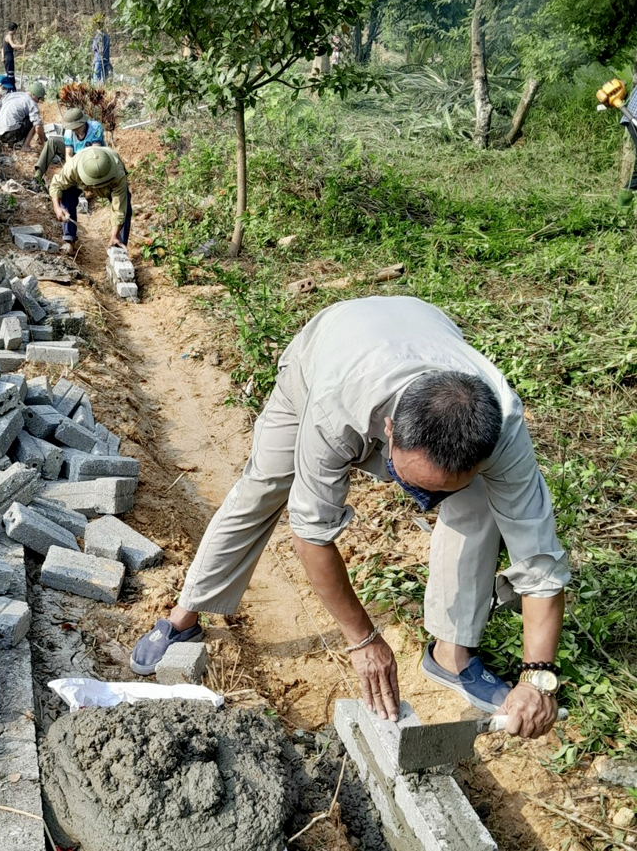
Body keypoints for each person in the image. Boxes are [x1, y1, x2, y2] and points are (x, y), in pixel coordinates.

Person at [130, 296, 569, 740]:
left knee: (477, 503)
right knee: (265, 485)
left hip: (421, 330)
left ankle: (451, 653)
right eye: (411, 478)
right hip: (328, 354)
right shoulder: (333, 410)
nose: (423, 500)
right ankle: (184, 616)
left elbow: (540, 562)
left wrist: (537, 678)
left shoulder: (503, 427)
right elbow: (310, 533)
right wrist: (362, 640)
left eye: (440, 489)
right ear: (391, 430)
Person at [48, 146, 131, 255]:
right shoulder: (72, 167)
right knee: (66, 194)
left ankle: (117, 244)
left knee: (126, 208)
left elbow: (119, 207)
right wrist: (57, 207)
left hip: (112, 183)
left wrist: (114, 235)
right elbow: (56, 185)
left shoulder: (118, 174)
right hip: (79, 181)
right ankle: (69, 240)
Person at [33, 107, 105, 190]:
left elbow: (96, 151)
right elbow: (68, 155)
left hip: (92, 158)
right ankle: (37, 177)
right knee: (52, 141)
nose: (75, 130)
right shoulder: (69, 132)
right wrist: (71, 168)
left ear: (83, 123)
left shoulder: (95, 128)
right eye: (73, 128)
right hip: (75, 157)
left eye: (77, 128)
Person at [0, 82, 47, 150]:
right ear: (33, 94)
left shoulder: (13, 95)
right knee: (33, 122)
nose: (38, 101)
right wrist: (41, 139)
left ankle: (10, 144)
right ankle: (25, 146)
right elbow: (38, 126)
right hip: (10, 135)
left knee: (20, 117)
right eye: (38, 98)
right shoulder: (31, 103)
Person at [3, 22, 26, 89]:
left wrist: (22, 47)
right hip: (8, 58)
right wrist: (22, 46)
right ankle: (11, 89)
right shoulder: (9, 36)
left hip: (8, 58)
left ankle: (11, 88)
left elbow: (11, 47)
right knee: (10, 75)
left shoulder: (8, 36)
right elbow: (13, 45)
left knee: (10, 74)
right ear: (15, 29)